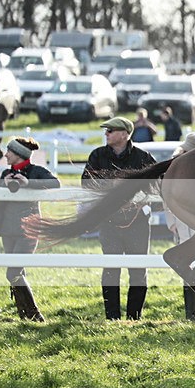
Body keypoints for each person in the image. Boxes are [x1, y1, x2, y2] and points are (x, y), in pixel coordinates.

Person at [82, 117, 156, 320]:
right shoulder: (97, 155)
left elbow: (157, 183)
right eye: (106, 131)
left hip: (137, 222)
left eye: (110, 130)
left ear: (124, 134)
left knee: (138, 271)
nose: (106, 134)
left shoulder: (143, 157)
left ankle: (134, 317)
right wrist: (111, 185)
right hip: (109, 221)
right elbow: (86, 183)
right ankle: (112, 317)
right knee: (111, 269)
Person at [0, 137, 60, 321]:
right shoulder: (6, 173)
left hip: (28, 230)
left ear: (19, 154)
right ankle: (24, 316)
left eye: (9, 151)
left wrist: (28, 183)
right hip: (8, 231)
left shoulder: (36, 171)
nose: (5, 154)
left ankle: (35, 314)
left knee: (13, 272)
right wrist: (4, 185)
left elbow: (56, 184)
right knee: (17, 272)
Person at [166, 132, 195, 320]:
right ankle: (192, 311)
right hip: (184, 220)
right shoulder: (177, 166)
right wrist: (172, 221)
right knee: (187, 262)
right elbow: (167, 194)